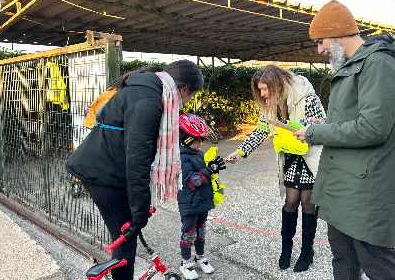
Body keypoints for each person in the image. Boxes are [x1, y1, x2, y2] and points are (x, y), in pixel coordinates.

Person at [66, 60, 204, 280]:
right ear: (184, 89)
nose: (186, 103)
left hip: (108, 167)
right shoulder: (149, 100)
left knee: (126, 235)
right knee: (126, 236)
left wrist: (138, 210)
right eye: (190, 97)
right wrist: (139, 213)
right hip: (102, 173)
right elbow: (137, 159)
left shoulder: (149, 90)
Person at [293, 0, 395, 280]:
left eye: (321, 41)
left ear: (337, 34)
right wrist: (324, 124)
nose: (320, 49)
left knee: (379, 266)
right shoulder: (354, 65)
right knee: (344, 260)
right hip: (344, 188)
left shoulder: (378, 63)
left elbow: (374, 128)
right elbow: (355, 121)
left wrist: (316, 133)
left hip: (363, 192)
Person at [226, 64, 326, 272]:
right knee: (290, 201)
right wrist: (240, 152)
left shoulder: (306, 97)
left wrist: (300, 124)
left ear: (278, 84)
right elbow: (261, 131)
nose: (262, 94)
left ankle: (307, 251)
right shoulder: (270, 105)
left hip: (310, 157)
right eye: (260, 90)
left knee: (308, 203)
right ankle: (286, 249)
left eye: (265, 89)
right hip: (290, 158)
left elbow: (323, 124)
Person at [177, 113, 226, 280]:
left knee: (201, 231)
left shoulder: (198, 154)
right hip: (189, 203)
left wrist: (214, 167)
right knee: (189, 232)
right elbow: (192, 182)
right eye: (197, 139)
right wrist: (208, 170)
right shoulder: (182, 158)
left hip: (203, 202)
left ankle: (200, 257)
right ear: (186, 139)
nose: (201, 142)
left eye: (201, 139)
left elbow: (205, 176)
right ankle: (186, 262)